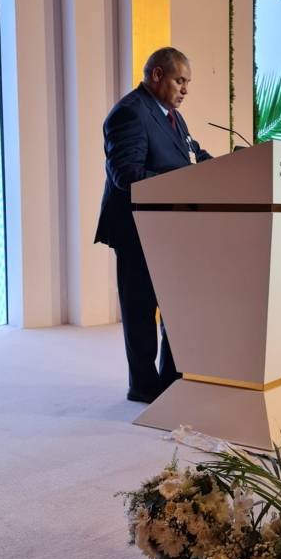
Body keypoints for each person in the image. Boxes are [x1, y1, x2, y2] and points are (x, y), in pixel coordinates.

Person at [95, 47, 212, 403]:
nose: (185, 90)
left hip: (171, 228)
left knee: (177, 306)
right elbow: (126, 175)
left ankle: (173, 380)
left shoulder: (175, 117)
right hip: (138, 229)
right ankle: (144, 386)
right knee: (141, 310)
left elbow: (192, 155)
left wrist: (227, 168)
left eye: (188, 83)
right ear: (157, 75)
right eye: (180, 81)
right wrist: (184, 182)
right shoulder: (129, 113)